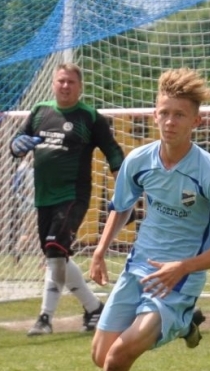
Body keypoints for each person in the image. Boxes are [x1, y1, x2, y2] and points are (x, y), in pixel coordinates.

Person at [63, 68, 210, 371]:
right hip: (137, 270)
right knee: (101, 356)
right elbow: (122, 207)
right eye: (164, 112)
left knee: (119, 357)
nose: (170, 121)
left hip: (178, 281)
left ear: (196, 121)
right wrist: (100, 250)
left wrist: (183, 267)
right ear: (154, 114)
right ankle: (184, 326)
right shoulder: (139, 160)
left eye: (179, 114)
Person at [12, 63, 126, 336]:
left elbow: (113, 152)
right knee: (56, 255)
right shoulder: (40, 111)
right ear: (53, 83)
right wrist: (15, 146)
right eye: (61, 81)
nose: (65, 86)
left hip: (73, 196)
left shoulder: (89, 117)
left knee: (54, 249)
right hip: (43, 196)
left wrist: (125, 186)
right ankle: (94, 308)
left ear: (80, 86)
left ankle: (45, 318)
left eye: (71, 82)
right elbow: (18, 141)